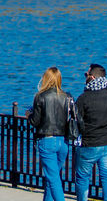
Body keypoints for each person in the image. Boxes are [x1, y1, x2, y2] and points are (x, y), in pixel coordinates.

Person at [74, 64, 107, 201]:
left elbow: (76, 122)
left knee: (83, 177)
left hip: (88, 144)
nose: (85, 78)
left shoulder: (84, 98)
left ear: (92, 77)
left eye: (86, 75)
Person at [26, 67, 72, 201]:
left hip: (47, 140)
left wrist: (29, 115)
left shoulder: (40, 96)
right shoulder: (67, 97)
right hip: (63, 141)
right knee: (53, 176)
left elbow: (35, 121)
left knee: (53, 178)